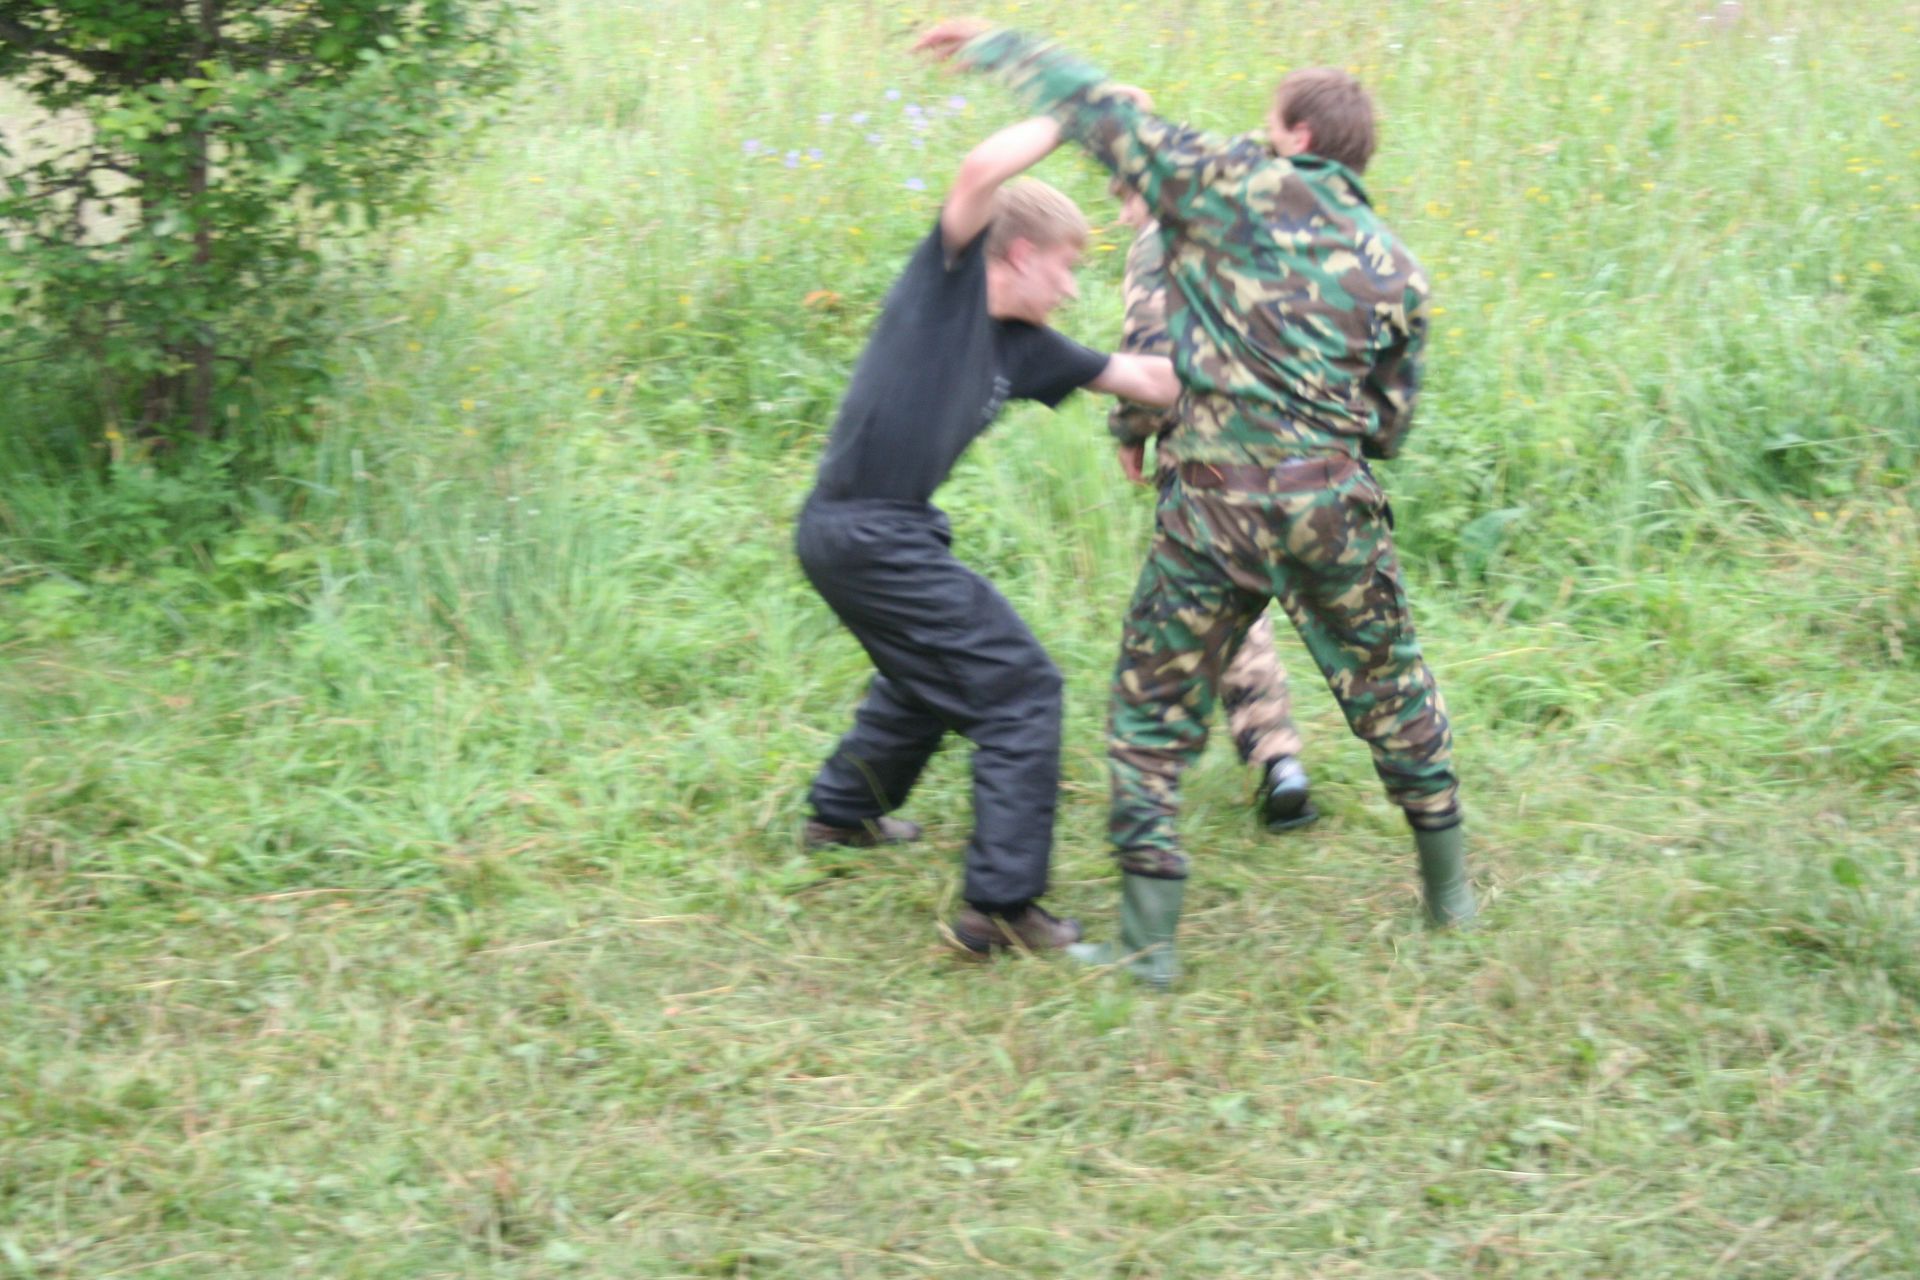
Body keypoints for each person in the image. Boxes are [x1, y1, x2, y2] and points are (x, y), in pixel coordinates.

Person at [920, 21, 1479, 986]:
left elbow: (1103, 113)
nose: (1259, 135)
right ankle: (1450, 898)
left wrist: (999, 43)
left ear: (1299, 135)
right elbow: (1389, 424)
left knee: (1152, 710)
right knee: (1392, 687)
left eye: (1271, 123)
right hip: (1332, 503)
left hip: (1214, 506)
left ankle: (1152, 949)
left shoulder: (1228, 186)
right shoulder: (1397, 267)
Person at [796, 114, 1182, 957]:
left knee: (927, 673)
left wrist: (1264, 365)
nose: (1072, 288)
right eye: (1067, 267)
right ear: (1020, 255)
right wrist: (1078, 111)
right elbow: (979, 173)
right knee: (1019, 688)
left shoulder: (1027, 348)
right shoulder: (946, 287)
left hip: (883, 532)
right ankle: (1001, 909)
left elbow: (1146, 378)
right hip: (862, 530)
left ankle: (842, 815)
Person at [1106, 179, 1316, 835]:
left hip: (1212, 459)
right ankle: (1304, 762)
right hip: (1305, 451)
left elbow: (1152, 353)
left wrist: (1130, 430)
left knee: (1200, 611)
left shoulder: (1160, 240)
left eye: (1124, 202)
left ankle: (1155, 798)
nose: (1124, 218)